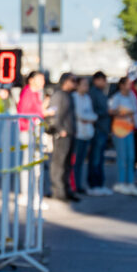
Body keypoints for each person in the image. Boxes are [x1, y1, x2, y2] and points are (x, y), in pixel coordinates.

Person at [17, 71, 48, 208]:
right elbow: (24, 113)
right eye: (40, 79)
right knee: (30, 165)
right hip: (29, 132)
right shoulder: (27, 93)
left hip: (34, 132)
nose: (43, 82)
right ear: (31, 80)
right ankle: (28, 195)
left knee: (34, 165)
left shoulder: (35, 94)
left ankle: (32, 195)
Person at [108, 76, 137, 195]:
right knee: (122, 157)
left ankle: (130, 182)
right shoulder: (116, 97)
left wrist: (136, 124)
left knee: (130, 157)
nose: (129, 86)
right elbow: (111, 111)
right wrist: (123, 113)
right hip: (119, 130)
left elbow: (135, 111)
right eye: (127, 84)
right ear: (121, 85)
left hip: (129, 129)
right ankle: (121, 182)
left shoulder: (132, 96)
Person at [49, 72, 78, 202]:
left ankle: (66, 190)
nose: (75, 84)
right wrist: (59, 129)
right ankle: (58, 191)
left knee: (67, 164)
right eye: (73, 81)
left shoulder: (69, 95)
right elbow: (54, 114)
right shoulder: (59, 95)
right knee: (59, 163)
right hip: (62, 135)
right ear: (65, 81)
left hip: (70, 133)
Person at [87, 71, 113, 196]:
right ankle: (94, 185)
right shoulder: (93, 93)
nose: (105, 83)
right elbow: (93, 112)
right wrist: (107, 112)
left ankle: (100, 184)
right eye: (103, 80)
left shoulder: (101, 93)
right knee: (95, 159)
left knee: (100, 159)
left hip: (103, 129)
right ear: (96, 80)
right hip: (97, 130)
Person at [73, 77, 97, 194]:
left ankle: (78, 184)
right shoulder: (74, 97)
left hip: (87, 133)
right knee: (76, 161)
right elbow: (80, 115)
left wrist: (88, 118)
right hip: (78, 134)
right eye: (84, 84)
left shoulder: (87, 98)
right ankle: (74, 185)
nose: (86, 87)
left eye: (87, 85)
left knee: (82, 161)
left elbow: (92, 115)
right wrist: (87, 118)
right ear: (77, 85)